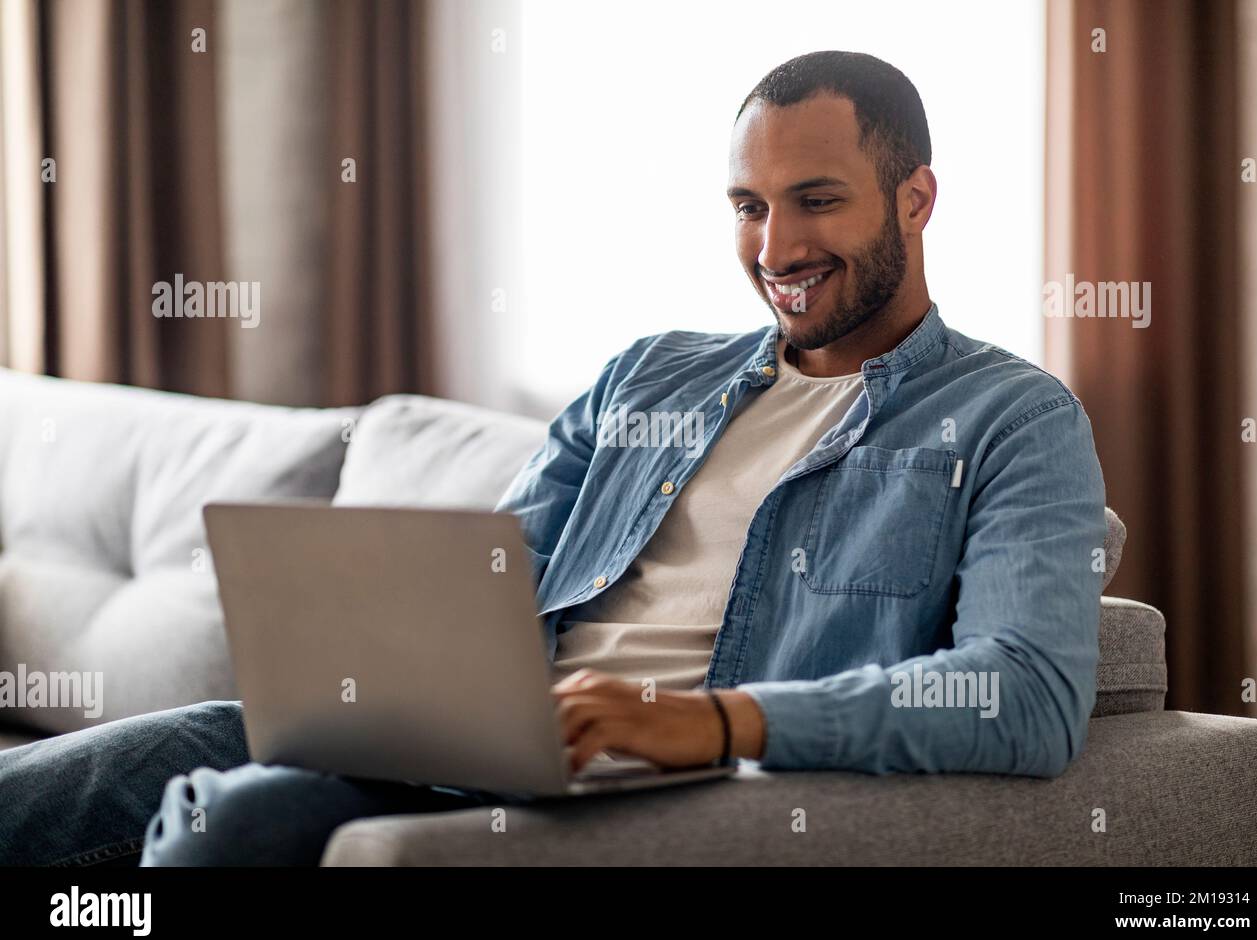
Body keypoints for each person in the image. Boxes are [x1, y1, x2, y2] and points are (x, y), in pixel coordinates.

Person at [0, 50, 1105, 866]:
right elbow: (501, 569)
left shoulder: (1013, 417)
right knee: (122, 764)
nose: (775, 250)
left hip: (666, 773)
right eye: (747, 206)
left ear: (915, 199)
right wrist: (378, 658)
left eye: (816, 201)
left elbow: (1025, 690)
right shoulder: (648, 376)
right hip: (484, 738)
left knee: (227, 821)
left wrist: (714, 719)